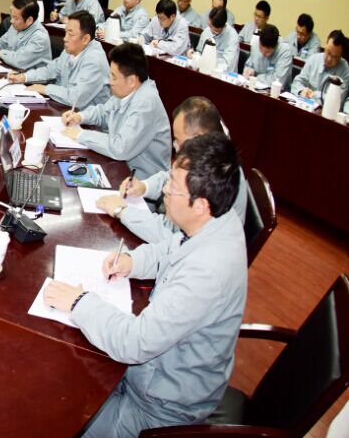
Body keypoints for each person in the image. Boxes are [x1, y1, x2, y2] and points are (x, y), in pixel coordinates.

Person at [45, 133, 246, 438]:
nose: (164, 190)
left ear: (200, 205)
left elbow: (134, 343)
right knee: (65, 373)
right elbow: (170, 248)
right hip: (149, 375)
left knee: (60, 417)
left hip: (158, 408)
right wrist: (132, 262)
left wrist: (78, 302)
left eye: (172, 187)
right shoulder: (217, 220)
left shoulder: (206, 273)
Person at [97, 96, 249, 243]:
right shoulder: (209, 155)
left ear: (198, 137)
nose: (176, 147)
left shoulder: (217, 173)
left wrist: (123, 212)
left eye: (179, 141)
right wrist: (144, 186)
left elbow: (173, 239)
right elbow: (171, 177)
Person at [61, 42, 171, 178]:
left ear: (131, 81)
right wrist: (80, 117)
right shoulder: (128, 90)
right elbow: (104, 112)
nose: (109, 81)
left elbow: (120, 148)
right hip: (120, 166)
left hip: (141, 180)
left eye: (113, 77)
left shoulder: (146, 104)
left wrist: (80, 135)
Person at [9, 11, 110, 109]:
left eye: (70, 34)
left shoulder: (95, 61)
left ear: (85, 39)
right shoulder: (71, 49)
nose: (65, 39)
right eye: (66, 33)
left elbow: (76, 98)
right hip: (64, 107)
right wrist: (24, 77)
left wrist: (45, 89)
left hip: (85, 116)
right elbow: (50, 70)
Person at [0, 0, 51, 71]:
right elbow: (2, 42)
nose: (11, 21)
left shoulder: (40, 37)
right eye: (12, 17)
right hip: (13, 70)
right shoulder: (16, 25)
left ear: (29, 20)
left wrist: (0, 53)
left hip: (31, 76)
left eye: (16, 18)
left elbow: (19, 60)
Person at [292, 31, 349, 110]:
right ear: (325, 45)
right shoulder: (314, 59)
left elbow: (337, 101)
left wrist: (314, 95)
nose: (329, 59)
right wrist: (301, 91)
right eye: (328, 52)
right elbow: (297, 82)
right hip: (304, 107)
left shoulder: (345, 69)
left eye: (334, 57)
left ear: (341, 56)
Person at [243, 25, 294, 91]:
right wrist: (248, 71)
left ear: (275, 46)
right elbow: (248, 65)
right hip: (253, 87)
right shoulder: (256, 43)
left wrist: (256, 77)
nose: (263, 54)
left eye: (268, 52)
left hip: (276, 92)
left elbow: (277, 81)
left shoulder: (285, 52)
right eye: (260, 49)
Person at [195, 6, 240, 73]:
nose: (211, 31)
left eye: (215, 31)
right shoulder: (207, 30)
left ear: (224, 26)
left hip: (221, 74)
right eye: (210, 26)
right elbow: (199, 51)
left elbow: (228, 65)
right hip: (203, 69)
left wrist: (209, 62)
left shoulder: (233, 38)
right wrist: (195, 56)